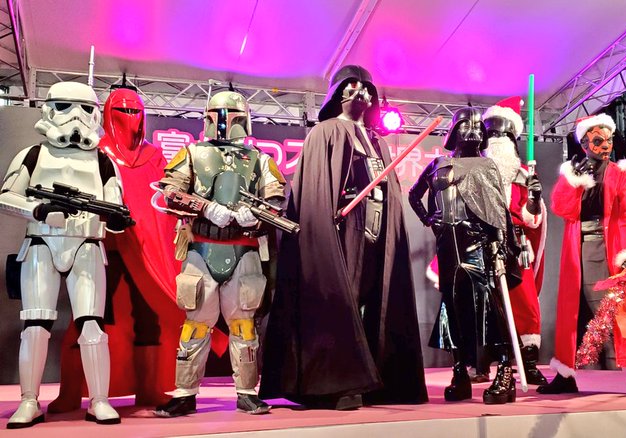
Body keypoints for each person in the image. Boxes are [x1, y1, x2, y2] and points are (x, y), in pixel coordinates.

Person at [259, 65, 428, 410]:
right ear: (337, 94)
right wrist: (326, 222)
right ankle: (337, 382)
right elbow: (317, 190)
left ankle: (376, 378)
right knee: (340, 300)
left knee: (376, 299)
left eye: (366, 88)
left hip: (378, 227)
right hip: (344, 227)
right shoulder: (325, 132)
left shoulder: (377, 141)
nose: (360, 92)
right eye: (351, 86)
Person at [0, 81, 130, 427]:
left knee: (92, 324)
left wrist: (114, 220)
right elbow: (6, 196)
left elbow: (115, 205)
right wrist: (39, 210)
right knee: (35, 325)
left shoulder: (103, 161)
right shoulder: (33, 154)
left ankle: (99, 400)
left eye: (85, 109)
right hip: (42, 242)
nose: (75, 116)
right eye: (64, 107)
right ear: (49, 108)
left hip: (86, 245)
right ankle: (29, 400)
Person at [47, 87, 183, 413]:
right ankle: (72, 391)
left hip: (144, 249)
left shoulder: (154, 156)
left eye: (136, 111)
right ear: (107, 113)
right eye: (123, 111)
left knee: (149, 316)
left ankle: (149, 390)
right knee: (89, 315)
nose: (130, 119)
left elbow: (161, 202)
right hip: (103, 245)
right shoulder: (96, 150)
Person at [153, 90, 286, 417]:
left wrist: (255, 215)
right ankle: (185, 393)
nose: (225, 122)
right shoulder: (192, 153)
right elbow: (170, 191)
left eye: (232, 115)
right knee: (196, 325)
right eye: (218, 114)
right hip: (202, 247)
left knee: (244, 326)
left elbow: (276, 200)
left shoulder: (260, 159)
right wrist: (205, 207)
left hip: (244, 248)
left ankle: (246, 392)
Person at [537, 113, 626, 397]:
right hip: (578, 251)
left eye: (609, 140)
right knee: (573, 314)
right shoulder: (574, 173)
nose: (605, 146)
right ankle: (565, 375)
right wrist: (573, 181)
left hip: (612, 250)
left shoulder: (620, 174)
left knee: (623, 312)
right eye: (598, 140)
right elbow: (562, 208)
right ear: (584, 143)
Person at [408, 106, 521, 405]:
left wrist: (500, 244)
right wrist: (428, 219)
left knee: (489, 306)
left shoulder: (487, 166)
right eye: (465, 126)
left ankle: (504, 371)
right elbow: (414, 194)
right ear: (453, 131)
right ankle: (459, 371)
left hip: (477, 243)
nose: (472, 131)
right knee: (452, 306)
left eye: (476, 127)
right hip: (447, 243)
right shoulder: (438, 164)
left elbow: (496, 209)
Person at [481, 97, 548, 385]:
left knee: (525, 303)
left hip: (517, 246)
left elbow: (532, 219)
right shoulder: (475, 170)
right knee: (485, 304)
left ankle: (528, 363)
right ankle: (484, 362)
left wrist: (534, 198)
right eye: (492, 133)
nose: (497, 139)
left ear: (513, 138)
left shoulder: (523, 175)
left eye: (503, 134)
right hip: (483, 244)